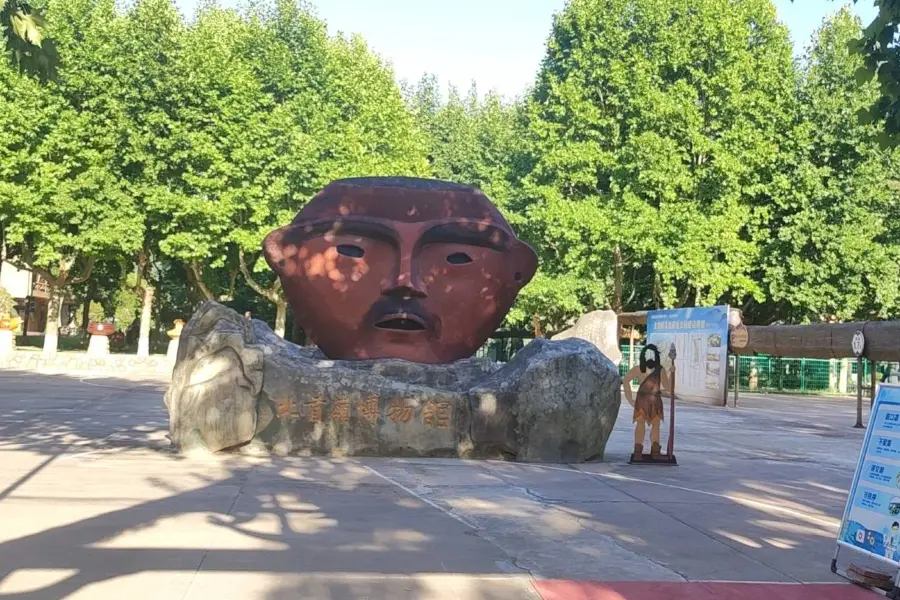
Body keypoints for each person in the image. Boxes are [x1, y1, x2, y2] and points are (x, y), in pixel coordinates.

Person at [622, 344, 672, 461]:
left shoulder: (660, 370)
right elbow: (625, 381)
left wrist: (671, 373)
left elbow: (668, 387)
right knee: (641, 425)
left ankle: (654, 451)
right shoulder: (639, 369)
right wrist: (629, 399)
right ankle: (638, 451)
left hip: (654, 400)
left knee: (655, 426)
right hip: (643, 401)